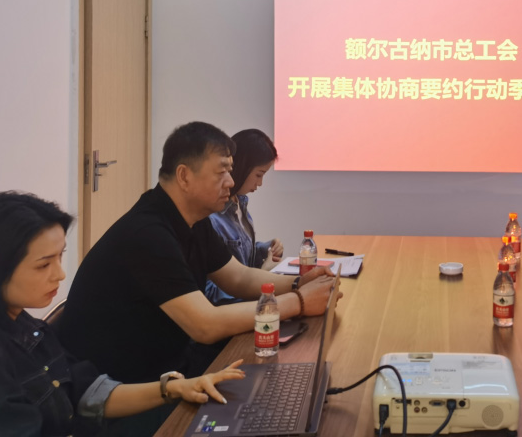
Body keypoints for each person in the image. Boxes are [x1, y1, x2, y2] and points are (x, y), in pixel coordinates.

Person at [58, 122, 338, 391]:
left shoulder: (194, 219)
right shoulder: (147, 234)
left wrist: (299, 283)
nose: (231, 181)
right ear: (184, 176)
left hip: (171, 366)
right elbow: (205, 325)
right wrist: (299, 301)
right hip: (124, 387)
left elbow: (238, 277)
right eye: (222, 172)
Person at [0, 192, 245, 436]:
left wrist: (175, 388)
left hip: (95, 425)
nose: (60, 274)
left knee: (229, 413)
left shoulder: (19, 320)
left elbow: (87, 393)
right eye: (44, 265)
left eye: (60, 257)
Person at [205, 128, 284, 305]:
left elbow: (241, 258)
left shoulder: (240, 203)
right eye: (259, 175)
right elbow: (210, 293)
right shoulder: (211, 218)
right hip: (234, 310)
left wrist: (266, 250)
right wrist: (263, 275)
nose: (260, 183)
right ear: (241, 167)